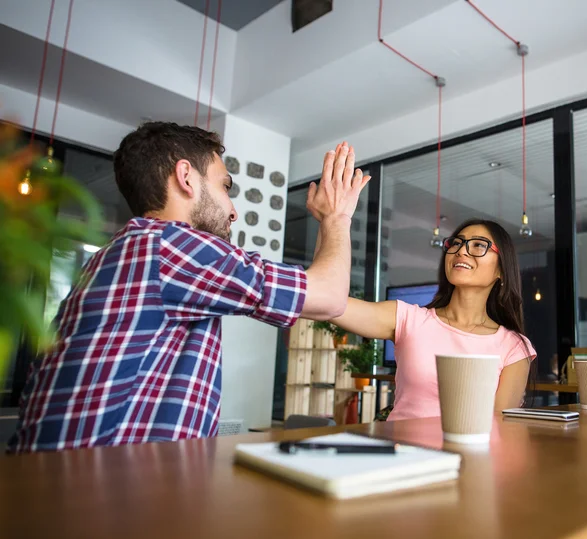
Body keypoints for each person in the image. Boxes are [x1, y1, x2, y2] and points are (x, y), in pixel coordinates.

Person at [8, 122, 369, 453]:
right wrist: (337, 217)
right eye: (225, 186)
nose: (233, 210)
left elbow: (322, 293)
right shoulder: (170, 245)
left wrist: (327, 222)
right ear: (186, 177)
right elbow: (329, 296)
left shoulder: (124, 252)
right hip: (97, 499)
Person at [318, 218, 537, 421]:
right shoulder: (408, 319)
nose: (461, 251)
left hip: (466, 461)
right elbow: (330, 303)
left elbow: (500, 426)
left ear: (501, 269)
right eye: (456, 243)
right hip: (402, 457)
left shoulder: (514, 347)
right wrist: (333, 220)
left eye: (479, 245)